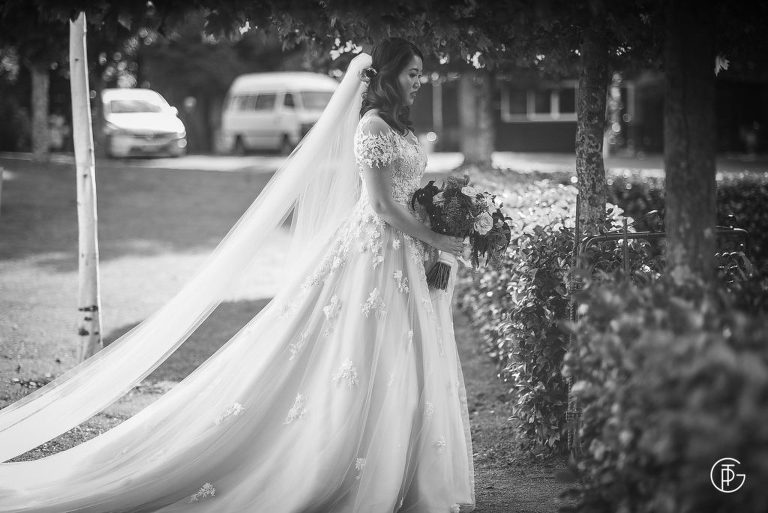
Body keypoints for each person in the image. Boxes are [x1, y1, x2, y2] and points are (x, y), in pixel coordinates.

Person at [0, 38, 475, 513]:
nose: (419, 81)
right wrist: (437, 239)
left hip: (407, 252)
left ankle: (405, 471)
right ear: (388, 74)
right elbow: (380, 204)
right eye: (412, 73)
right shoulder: (370, 125)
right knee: (361, 351)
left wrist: (442, 210)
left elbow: (407, 192)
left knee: (404, 353)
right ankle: (351, 466)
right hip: (376, 254)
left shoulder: (400, 127)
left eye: (420, 73)